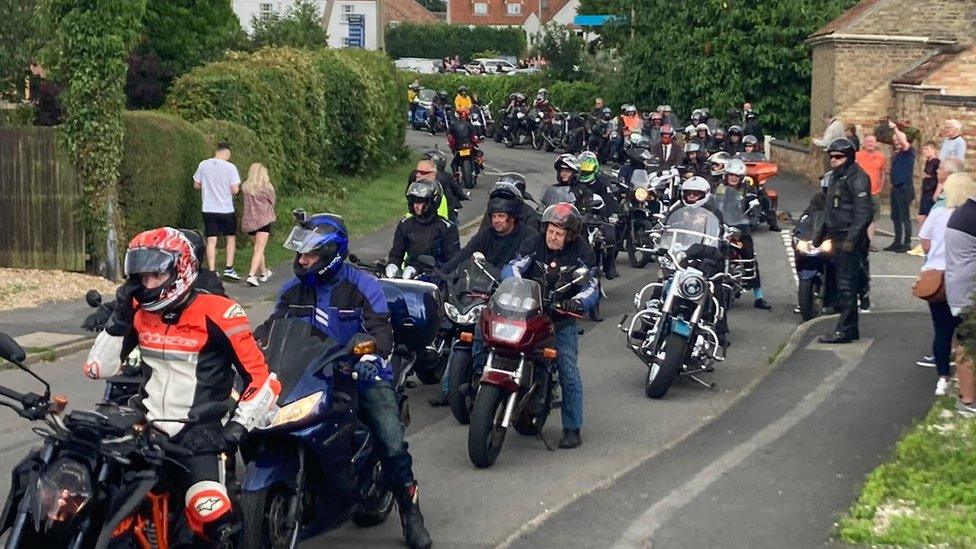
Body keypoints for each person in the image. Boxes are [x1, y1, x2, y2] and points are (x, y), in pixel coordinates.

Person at [83, 227, 280, 544]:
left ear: (181, 270)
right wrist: (118, 319)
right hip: (145, 430)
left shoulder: (220, 312)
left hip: (200, 435)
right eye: (139, 276)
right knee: (94, 500)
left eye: (153, 275)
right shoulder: (137, 311)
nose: (144, 285)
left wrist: (236, 430)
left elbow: (263, 379)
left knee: (212, 519)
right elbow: (96, 369)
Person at [259, 213, 432, 548]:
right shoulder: (291, 289)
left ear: (330, 256)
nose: (301, 260)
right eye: (300, 254)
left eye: (309, 255)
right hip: (307, 374)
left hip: (357, 373)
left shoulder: (362, 286)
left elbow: (381, 333)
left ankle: (411, 513)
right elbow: (271, 328)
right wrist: (248, 347)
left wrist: (368, 357)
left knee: (390, 438)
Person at [428, 192, 540, 407]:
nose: (497, 221)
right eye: (494, 216)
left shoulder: (528, 236)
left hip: (514, 296)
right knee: (459, 331)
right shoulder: (486, 235)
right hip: (484, 290)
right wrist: (443, 272)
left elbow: (522, 264)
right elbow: (466, 253)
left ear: (512, 218)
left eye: (501, 216)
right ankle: (449, 388)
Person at [505, 203, 598, 449]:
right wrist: (513, 284)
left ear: (570, 235)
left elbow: (591, 286)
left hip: (560, 320)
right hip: (528, 314)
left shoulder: (582, 252)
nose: (552, 236)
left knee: (568, 370)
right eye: (550, 230)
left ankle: (572, 428)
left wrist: (576, 302)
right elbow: (514, 266)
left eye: (559, 233)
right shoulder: (534, 243)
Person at [81, 229, 226, 331]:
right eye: (144, 277)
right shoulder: (152, 291)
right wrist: (105, 314)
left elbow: (222, 313)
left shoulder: (208, 284)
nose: (149, 283)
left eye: (157, 275)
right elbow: (97, 368)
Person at [918, 173, 976, 395]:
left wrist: (932, 256)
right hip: (962, 279)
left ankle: (943, 378)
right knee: (965, 335)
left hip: (937, 278)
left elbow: (924, 241)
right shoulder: (967, 216)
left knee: (942, 330)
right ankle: (966, 389)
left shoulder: (939, 212)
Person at [817, 138, 872, 344]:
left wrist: (851, 239)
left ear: (849, 157)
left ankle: (846, 329)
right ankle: (849, 327)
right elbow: (830, 208)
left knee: (847, 285)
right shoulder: (835, 178)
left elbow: (864, 212)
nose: (833, 160)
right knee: (841, 284)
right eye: (831, 156)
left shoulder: (858, 178)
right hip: (836, 234)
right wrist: (820, 233)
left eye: (838, 157)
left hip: (849, 236)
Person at [719, 159, 771, 310]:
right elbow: (712, 204)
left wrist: (754, 211)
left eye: (736, 175)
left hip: (740, 230)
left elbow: (755, 204)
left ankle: (758, 296)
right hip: (722, 228)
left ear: (741, 177)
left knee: (749, 258)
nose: (733, 178)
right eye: (730, 175)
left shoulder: (748, 190)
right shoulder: (719, 189)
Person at [944, 175, 976, 416]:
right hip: (969, 292)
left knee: (963, 340)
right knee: (969, 342)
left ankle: (964, 394)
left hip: (959, 288)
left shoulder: (965, 211)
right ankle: (967, 401)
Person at [193, 141, 241, 279]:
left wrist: (209, 187)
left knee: (211, 239)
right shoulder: (230, 167)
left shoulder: (203, 165)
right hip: (226, 208)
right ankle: (229, 268)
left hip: (208, 207)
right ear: (227, 152)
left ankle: (212, 270)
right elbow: (235, 189)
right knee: (230, 237)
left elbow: (196, 185)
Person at [388, 179, 460, 270]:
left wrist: (438, 274)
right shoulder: (405, 224)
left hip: (436, 278)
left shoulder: (447, 228)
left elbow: (452, 262)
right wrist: (392, 267)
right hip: (409, 275)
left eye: (420, 201)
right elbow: (396, 254)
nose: (416, 205)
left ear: (433, 201)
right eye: (414, 201)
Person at [578, 151, 621, 280]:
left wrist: (614, 214)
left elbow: (610, 200)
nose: (585, 174)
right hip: (579, 216)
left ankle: (610, 267)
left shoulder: (603, 182)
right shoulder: (575, 182)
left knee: (610, 237)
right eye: (583, 171)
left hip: (598, 217)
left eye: (588, 171)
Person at [241, 163, 276, 287]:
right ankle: (251, 275)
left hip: (250, 221)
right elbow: (272, 201)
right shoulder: (267, 187)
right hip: (263, 220)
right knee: (259, 249)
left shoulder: (246, 187)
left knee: (257, 248)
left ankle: (263, 272)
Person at [410, 152, 466, 223]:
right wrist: (463, 196)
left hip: (418, 216)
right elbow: (456, 189)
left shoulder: (413, 176)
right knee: (454, 225)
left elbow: (408, 193)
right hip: (444, 215)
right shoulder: (446, 176)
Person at [886, 121, 916, 253]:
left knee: (904, 216)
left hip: (904, 188)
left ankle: (907, 242)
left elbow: (904, 143)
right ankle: (897, 241)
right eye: (894, 140)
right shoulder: (896, 154)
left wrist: (895, 128)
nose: (896, 142)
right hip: (896, 188)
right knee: (895, 216)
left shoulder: (908, 151)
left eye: (898, 140)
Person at [855, 134, 886, 251]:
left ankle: (868, 242)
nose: (870, 144)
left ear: (876, 143)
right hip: (859, 192)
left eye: (872, 141)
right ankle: (857, 241)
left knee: (873, 218)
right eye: (868, 141)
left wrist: (880, 186)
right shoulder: (857, 156)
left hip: (874, 192)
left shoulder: (881, 157)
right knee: (857, 217)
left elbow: (883, 172)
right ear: (864, 143)